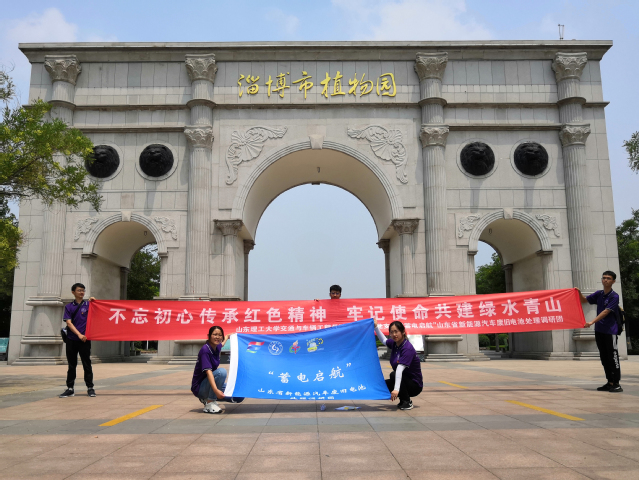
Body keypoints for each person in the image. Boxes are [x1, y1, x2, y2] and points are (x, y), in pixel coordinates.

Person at [578, 271, 622, 393]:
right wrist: (578, 292)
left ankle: (617, 383)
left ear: (613, 281)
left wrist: (592, 322)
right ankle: (610, 382)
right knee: (604, 357)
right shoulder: (599, 294)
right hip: (599, 330)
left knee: (613, 357)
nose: (605, 280)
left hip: (610, 331)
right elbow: (584, 300)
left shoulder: (614, 296)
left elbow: (606, 312)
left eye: (608, 278)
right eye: (604, 278)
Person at [374, 319, 423, 410]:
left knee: (393, 374)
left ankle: (406, 402)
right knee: (383, 385)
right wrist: (376, 327)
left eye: (396, 331)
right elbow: (384, 340)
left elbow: (399, 369)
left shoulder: (407, 348)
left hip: (414, 385)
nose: (394, 334)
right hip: (403, 380)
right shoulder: (395, 344)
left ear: (403, 332)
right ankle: (403, 400)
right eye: (391, 332)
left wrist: (396, 389)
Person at [59, 283, 96, 398]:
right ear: (73, 292)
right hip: (71, 339)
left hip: (85, 340)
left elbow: (99, 312)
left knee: (87, 364)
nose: (82, 292)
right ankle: (70, 388)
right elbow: (69, 323)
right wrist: (79, 334)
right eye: (79, 290)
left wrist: (95, 302)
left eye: (83, 290)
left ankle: (90, 388)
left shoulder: (88, 305)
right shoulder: (69, 307)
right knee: (72, 365)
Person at [192, 326, 232, 414]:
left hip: (208, 384)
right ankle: (210, 402)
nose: (217, 337)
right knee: (221, 372)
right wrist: (216, 391)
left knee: (237, 395)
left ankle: (208, 398)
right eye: (215, 334)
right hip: (200, 387)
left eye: (220, 335)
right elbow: (209, 372)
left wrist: (227, 336)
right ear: (209, 336)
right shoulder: (205, 350)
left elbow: (222, 343)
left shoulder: (216, 347)